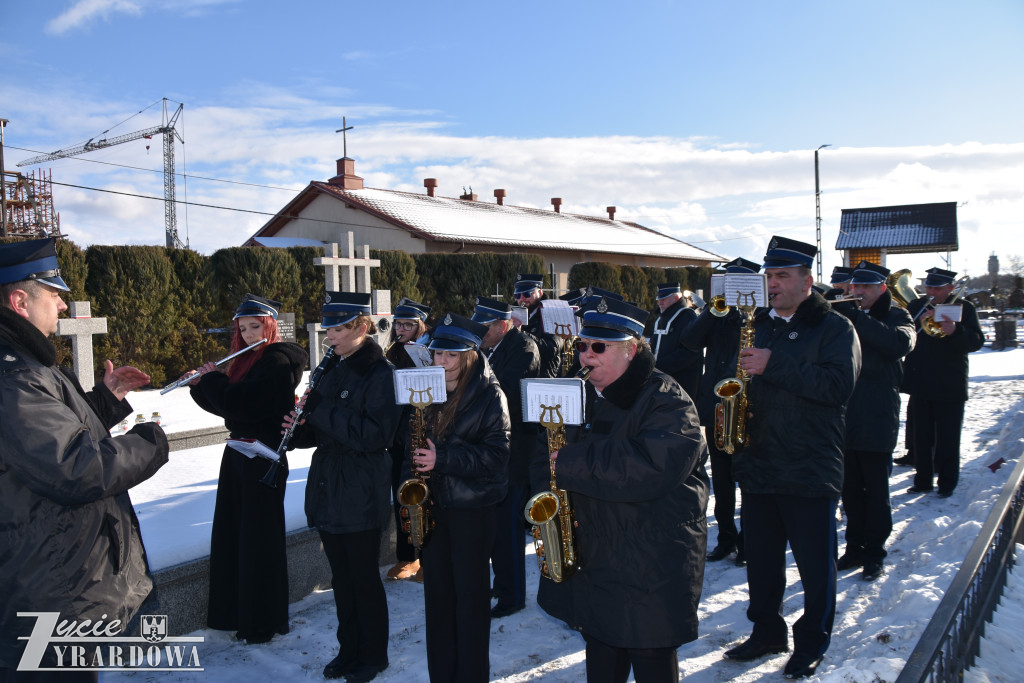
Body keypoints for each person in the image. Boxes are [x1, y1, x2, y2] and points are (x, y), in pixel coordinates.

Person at [0, 238, 169, 679]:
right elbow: (74, 468)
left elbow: (44, 441)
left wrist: (105, 402)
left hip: (53, 577)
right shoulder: (15, 376)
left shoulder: (27, 364)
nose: (61, 305)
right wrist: (151, 442)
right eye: (53, 294)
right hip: (45, 582)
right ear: (20, 301)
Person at [535, 296, 709, 683]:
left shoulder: (668, 400)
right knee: (602, 659)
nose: (586, 356)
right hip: (599, 559)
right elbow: (546, 457)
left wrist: (569, 465)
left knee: (650, 659)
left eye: (599, 347)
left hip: (649, 564)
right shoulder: (582, 395)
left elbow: (650, 468)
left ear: (632, 349)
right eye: (582, 346)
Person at [724, 236, 861, 680]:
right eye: (769, 276)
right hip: (759, 463)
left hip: (809, 465)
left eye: (782, 275)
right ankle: (766, 631)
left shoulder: (836, 328)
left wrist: (773, 364)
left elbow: (838, 388)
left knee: (814, 566)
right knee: (762, 562)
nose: (773, 283)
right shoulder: (759, 324)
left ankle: (811, 642)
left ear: (808, 280)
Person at [286, 292, 403, 683]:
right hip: (329, 484)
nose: (330, 336)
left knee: (363, 578)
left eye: (338, 329)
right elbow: (325, 432)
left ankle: (373, 655)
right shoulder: (332, 366)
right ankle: (348, 648)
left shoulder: (380, 374)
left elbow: (373, 436)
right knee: (342, 578)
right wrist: (300, 428)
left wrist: (320, 410)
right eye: (329, 329)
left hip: (360, 487)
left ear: (362, 327)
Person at [185, 293, 307, 644]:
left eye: (256, 327)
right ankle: (234, 613)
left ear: (270, 325)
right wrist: (200, 387)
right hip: (239, 453)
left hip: (263, 458)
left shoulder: (279, 361)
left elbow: (249, 405)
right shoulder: (251, 360)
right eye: (243, 328)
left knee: (258, 541)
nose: (251, 334)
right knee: (234, 534)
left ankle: (261, 622)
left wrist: (213, 381)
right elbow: (232, 411)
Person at [408, 312, 510, 683]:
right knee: (438, 604)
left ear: (469, 355)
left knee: (469, 605)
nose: (442, 362)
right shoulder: (428, 390)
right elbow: (414, 442)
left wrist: (444, 458)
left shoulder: (490, 395)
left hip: (472, 510)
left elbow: (498, 455)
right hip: (436, 507)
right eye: (437, 354)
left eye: (451, 356)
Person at [831, 262, 915, 581]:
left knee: (876, 491)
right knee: (850, 490)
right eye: (855, 287)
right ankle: (854, 548)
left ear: (882, 288)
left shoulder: (898, 316)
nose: (858, 292)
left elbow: (898, 344)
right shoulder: (846, 314)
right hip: (845, 415)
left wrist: (858, 320)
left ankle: (875, 553)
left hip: (878, 414)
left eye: (865, 287)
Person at [681, 257, 761, 566]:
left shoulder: (761, 314)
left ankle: (749, 541)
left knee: (747, 477)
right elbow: (689, 341)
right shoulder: (718, 312)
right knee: (723, 478)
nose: (731, 288)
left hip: (748, 408)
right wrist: (713, 312)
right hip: (717, 406)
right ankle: (727, 537)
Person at [474, 296, 541, 619]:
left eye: (485, 326)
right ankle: (501, 582)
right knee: (495, 526)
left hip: (515, 451)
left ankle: (513, 594)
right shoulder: (489, 349)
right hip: (495, 447)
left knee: (509, 527)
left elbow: (507, 391)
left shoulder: (523, 347)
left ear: (503, 325)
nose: (480, 332)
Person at [902, 267, 984, 498]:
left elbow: (976, 341)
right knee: (922, 436)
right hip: (921, 380)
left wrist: (956, 331)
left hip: (950, 383)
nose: (931, 292)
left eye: (936, 288)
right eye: (928, 287)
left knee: (949, 437)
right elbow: (907, 335)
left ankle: (947, 482)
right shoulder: (917, 307)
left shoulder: (964, 308)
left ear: (950, 288)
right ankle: (923, 480)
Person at [384, 297, 432, 582]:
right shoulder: (392, 351)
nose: (402, 329)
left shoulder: (428, 349)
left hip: (421, 428)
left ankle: (427, 558)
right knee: (400, 493)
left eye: (408, 324)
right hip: (397, 430)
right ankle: (407, 556)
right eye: (398, 324)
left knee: (423, 495)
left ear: (420, 325)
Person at [650, 282, 702, 400]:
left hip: (681, 384)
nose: (660, 303)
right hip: (660, 380)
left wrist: (658, 367)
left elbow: (689, 352)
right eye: (659, 299)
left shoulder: (687, 317)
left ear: (676, 297)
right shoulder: (661, 318)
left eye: (664, 299)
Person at [513, 273, 564, 377]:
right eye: (518, 295)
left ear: (540, 293)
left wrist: (520, 333)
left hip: (543, 378)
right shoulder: (512, 313)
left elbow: (552, 348)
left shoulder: (551, 313)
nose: (522, 299)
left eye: (527, 294)